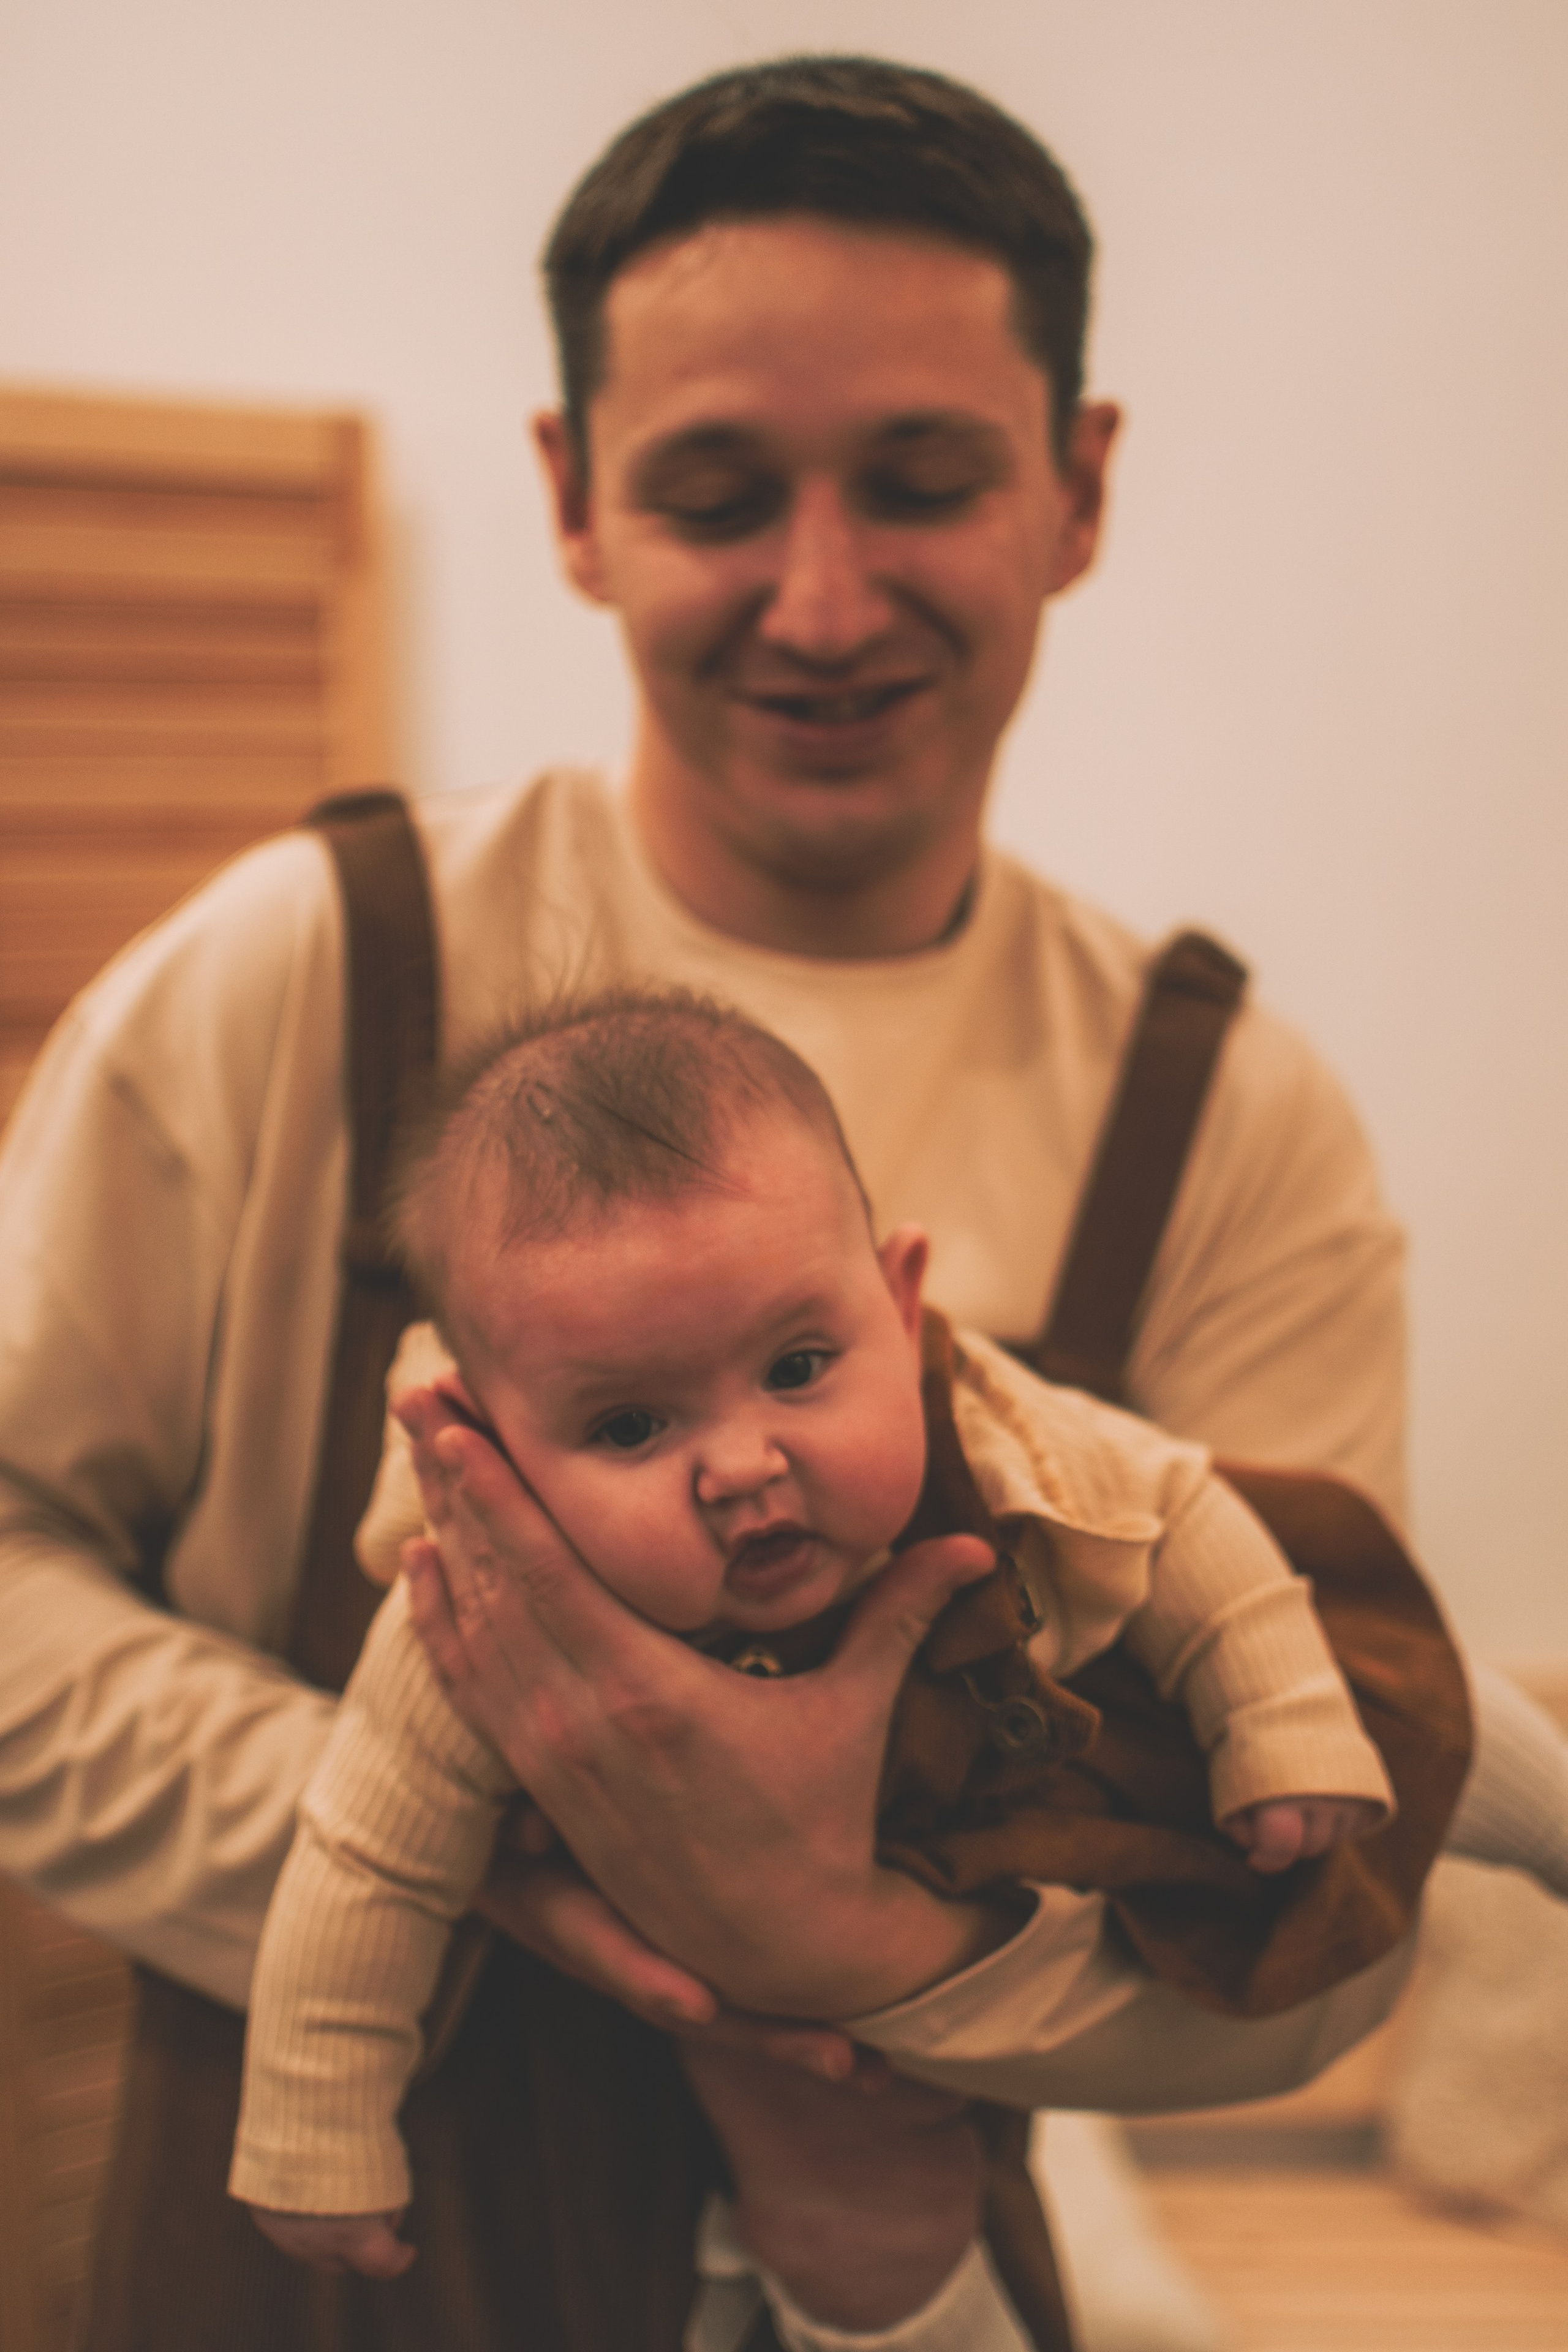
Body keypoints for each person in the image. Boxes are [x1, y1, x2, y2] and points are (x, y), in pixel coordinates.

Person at [3, 50, 1566, 2352]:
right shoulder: (293, 978)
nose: (823, 603)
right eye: (719, 493)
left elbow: (1303, 1965)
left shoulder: (1231, 1122)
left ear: (1079, 485)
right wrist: (482, 1857)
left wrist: (849, 1956)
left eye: (922, 482)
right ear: (573, 498)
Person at [228, 987, 1399, 2277]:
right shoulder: (483, 1611)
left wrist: (1278, 1717)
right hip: (676, 2097)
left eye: (795, 1368)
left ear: (897, 1308)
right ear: (488, 1441)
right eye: (629, 1427)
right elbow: (364, 1860)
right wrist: (315, 2122)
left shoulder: (999, 1431)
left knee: (1425, 1699)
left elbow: (1181, 1514)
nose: (742, 1467)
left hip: (1069, 1813)